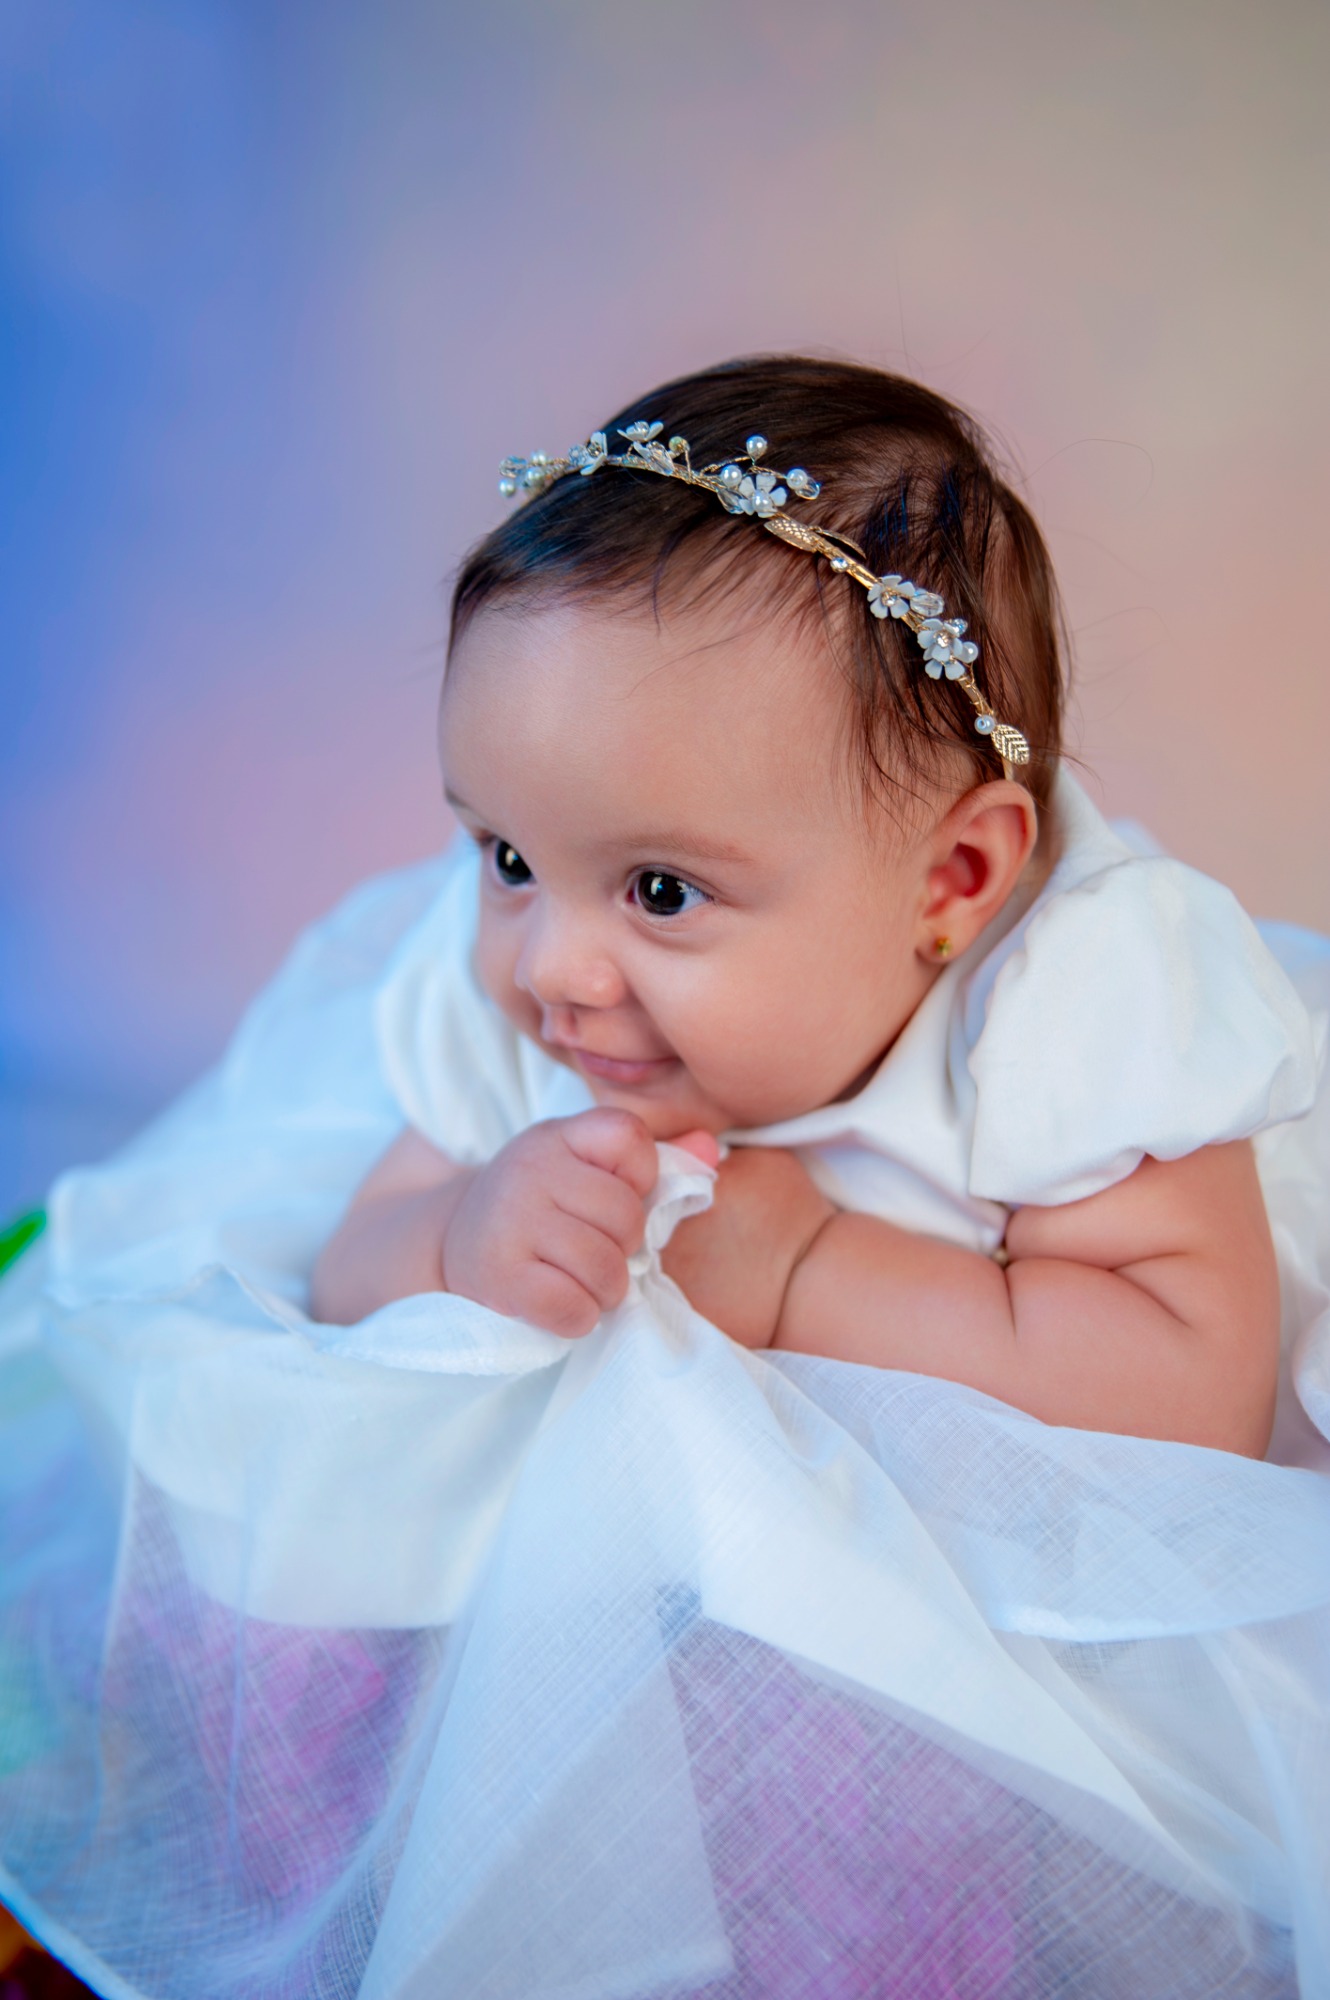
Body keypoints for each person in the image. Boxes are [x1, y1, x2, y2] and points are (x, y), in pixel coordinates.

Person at [2, 356, 1329, 2000]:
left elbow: (1193, 1400)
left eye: (658, 890)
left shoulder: (1083, 1000)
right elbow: (353, 1266)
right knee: (273, 1569)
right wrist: (462, 1230)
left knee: (880, 1792)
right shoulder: (525, 997)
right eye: (501, 856)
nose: (551, 966)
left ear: (955, 878)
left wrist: (803, 1269)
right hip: (618, 1538)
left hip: (976, 1569)